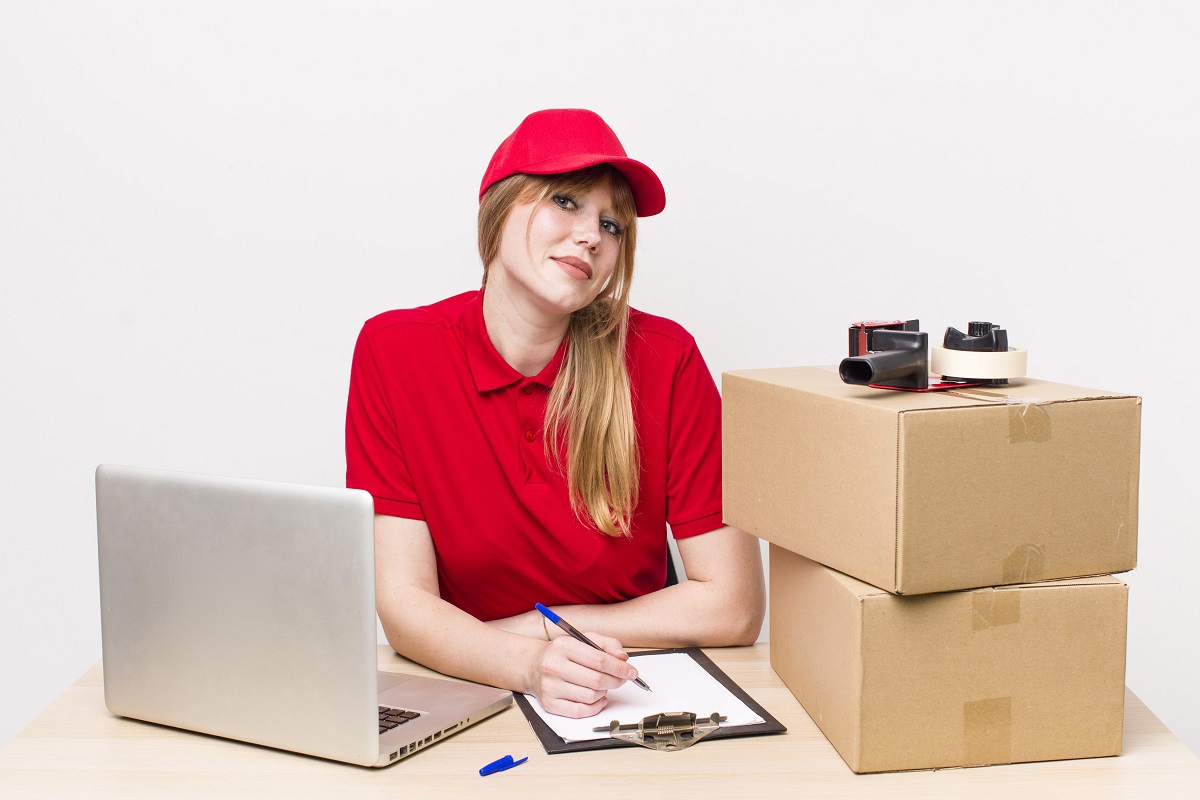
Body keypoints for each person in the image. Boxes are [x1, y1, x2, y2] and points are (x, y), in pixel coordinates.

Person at [345, 108, 764, 719]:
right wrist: (523, 663)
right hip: (472, 686)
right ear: (498, 211)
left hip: (628, 688)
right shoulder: (396, 351)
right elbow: (405, 605)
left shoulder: (665, 357)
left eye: (612, 224)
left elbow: (734, 606)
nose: (593, 235)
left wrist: (546, 630)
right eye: (565, 201)